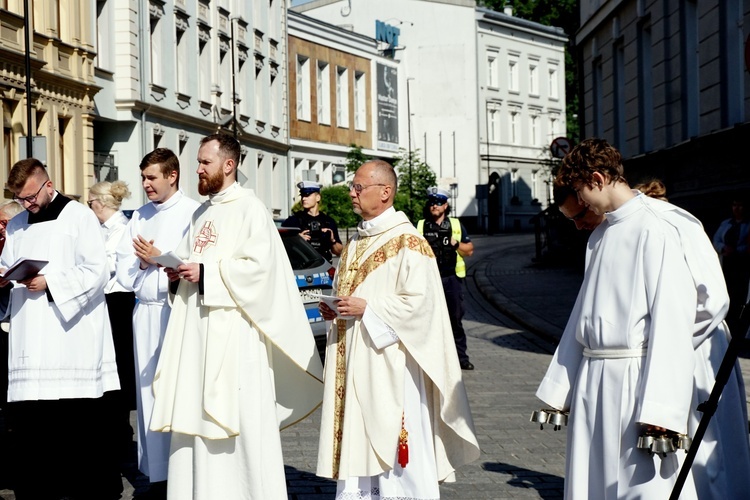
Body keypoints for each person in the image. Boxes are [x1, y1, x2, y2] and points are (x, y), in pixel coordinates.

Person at [536, 138, 750, 499]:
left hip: (638, 374)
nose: (580, 214)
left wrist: (661, 402)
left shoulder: (658, 227)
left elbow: (677, 317)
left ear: (598, 179)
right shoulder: (600, 236)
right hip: (597, 377)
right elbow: (584, 314)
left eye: (579, 194)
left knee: (642, 483)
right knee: (595, 479)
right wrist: (561, 385)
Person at [149, 133, 324, 500]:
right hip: (198, 336)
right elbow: (189, 260)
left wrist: (207, 275)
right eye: (198, 162)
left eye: (204, 163)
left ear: (228, 165)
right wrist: (176, 272)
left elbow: (262, 272)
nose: (197, 169)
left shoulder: (251, 209)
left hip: (236, 339)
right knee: (194, 419)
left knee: (240, 421)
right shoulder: (202, 212)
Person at [317, 159, 480, 499]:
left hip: (392, 365)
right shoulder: (355, 244)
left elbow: (423, 306)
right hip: (354, 360)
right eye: (353, 187)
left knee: (394, 447)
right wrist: (337, 310)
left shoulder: (408, 243)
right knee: (358, 438)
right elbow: (353, 296)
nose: (351, 193)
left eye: (358, 187)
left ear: (385, 192)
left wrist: (368, 309)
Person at [0, 158, 122, 499]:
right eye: (19, 198)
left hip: (69, 337)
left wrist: (50, 282)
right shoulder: (18, 224)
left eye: (29, 196)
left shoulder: (78, 216)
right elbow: (8, 264)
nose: (26, 204)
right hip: (29, 333)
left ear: (48, 185)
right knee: (31, 428)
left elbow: (97, 270)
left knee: (72, 426)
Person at [115, 148, 200, 492]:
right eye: (144, 178)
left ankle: (182, 475)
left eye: (152, 178)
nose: (146, 185)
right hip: (144, 312)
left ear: (172, 175)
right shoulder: (139, 215)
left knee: (175, 391)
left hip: (176, 311)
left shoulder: (194, 212)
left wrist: (160, 261)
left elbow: (197, 260)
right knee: (148, 395)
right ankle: (156, 476)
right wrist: (142, 263)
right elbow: (122, 263)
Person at [89, 180, 137, 461]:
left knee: (118, 369)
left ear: (102, 203)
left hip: (119, 302)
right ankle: (113, 429)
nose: (90, 207)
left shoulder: (121, 229)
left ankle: (121, 434)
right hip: (106, 303)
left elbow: (109, 268)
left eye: (91, 202)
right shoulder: (102, 229)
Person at [416, 186, 475, 370]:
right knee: (427, 320)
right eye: (432, 202)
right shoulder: (420, 226)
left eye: (439, 202)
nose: (435, 206)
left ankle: (461, 358)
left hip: (451, 279)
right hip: (428, 280)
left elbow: (470, 251)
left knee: (455, 319)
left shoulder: (456, 225)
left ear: (445, 205)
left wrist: (456, 243)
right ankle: (430, 359)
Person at [712, 197, 750, 332]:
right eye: (734, 205)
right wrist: (723, 248)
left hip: (741, 265)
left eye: (740, 205)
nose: (737, 209)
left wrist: (737, 251)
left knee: (740, 295)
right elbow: (716, 240)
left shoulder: (747, 224)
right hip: (726, 264)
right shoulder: (726, 224)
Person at [282, 180, 343, 261]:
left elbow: (339, 252)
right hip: (302, 266)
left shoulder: (328, 221)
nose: (303, 199)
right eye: (302, 195)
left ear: (318, 197)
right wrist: (297, 240)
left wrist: (332, 240)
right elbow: (279, 244)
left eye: (307, 195)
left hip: (324, 266)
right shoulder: (293, 220)